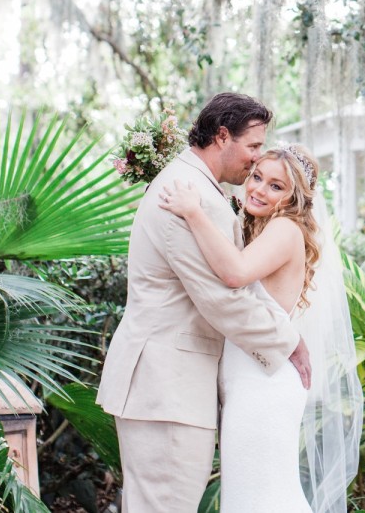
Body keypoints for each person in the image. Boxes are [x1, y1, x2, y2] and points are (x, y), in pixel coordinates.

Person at [96, 93, 312, 512]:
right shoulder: (187, 192)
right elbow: (221, 298)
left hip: (171, 388)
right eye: (252, 147)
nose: (255, 160)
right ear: (222, 136)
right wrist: (288, 340)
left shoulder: (196, 189)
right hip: (165, 388)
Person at [158, 144, 362, 513]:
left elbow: (234, 273)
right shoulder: (263, 229)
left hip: (264, 385)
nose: (258, 190)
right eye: (256, 177)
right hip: (250, 378)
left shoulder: (285, 229)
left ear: (293, 198)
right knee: (254, 495)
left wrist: (193, 212)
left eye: (275, 186)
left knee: (261, 498)